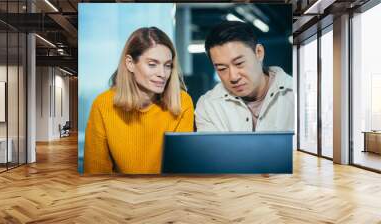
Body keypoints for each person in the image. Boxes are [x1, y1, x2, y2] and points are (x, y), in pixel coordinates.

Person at [84, 27, 194, 174]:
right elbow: (95, 173)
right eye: (152, 64)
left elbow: (182, 169)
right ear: (130, 63)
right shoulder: (103, 104)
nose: (162, 74)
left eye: (167, 65)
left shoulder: (182, 102)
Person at [195, 21, 294, 132]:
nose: (233, 77)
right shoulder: (209, 106)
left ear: (259, 52)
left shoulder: (296, 95)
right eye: (222, 69)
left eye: (239, 63)